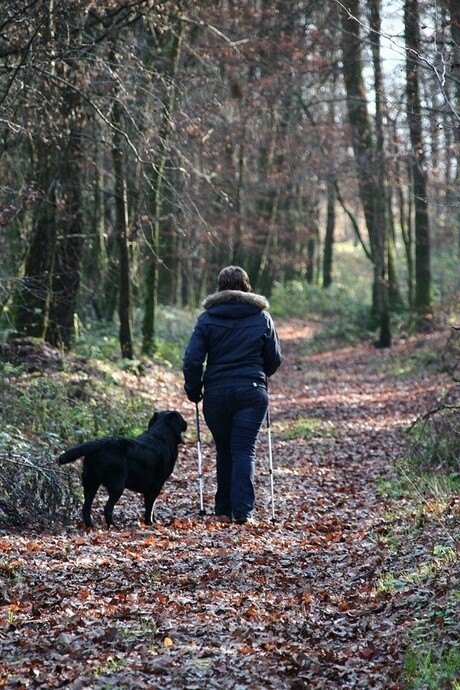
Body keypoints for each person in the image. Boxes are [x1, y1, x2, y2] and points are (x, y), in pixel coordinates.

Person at [183, 266, 283, 524]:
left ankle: (223, 508)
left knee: (225, 450)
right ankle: (243, 511)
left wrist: (193, 390)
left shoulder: (206, 319)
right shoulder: (262, 318)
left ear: (220, 287)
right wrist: (260, 372)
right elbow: (274, 359)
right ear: (247, 286)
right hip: (251, 391)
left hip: (216, 393)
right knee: (243, 450)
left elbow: (192, 360)